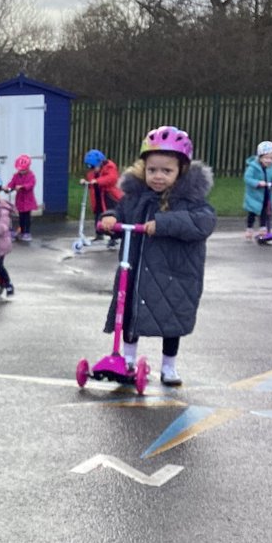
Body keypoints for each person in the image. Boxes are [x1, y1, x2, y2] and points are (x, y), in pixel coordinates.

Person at [98, 126, 216, 387]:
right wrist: (110, 218)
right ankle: (127, 361)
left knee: (171, 319)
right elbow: (123, 213)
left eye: (166, 170)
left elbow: (203, 222)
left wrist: (163, 223)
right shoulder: (136, 196)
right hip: (137, 269)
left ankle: (169, 367)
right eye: (152, 170)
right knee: (128, 312)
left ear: (181, 170)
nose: (158, 176)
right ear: (144, 168)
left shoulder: (191, 199)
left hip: (174, 274)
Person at [243, 140, 272, 240]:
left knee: (265, 211)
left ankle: (263, 228)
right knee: (252, 212)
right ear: (260, 158)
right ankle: (249, 228)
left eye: (271, 158)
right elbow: (247, 178)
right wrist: (257, 183)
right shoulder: (253, 167)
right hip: (254, 194)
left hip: (267, 193)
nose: (268, 160)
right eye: (266, 158)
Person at [82, 149, 122, 244]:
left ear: (100, 163)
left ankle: (113, 237)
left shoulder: (109, 167)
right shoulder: (92, 173)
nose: (92, 169)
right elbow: (92, 183)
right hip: (98, 198)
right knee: (98, 215)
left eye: (93, 167)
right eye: (90, 167)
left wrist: (98, 181)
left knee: (110, 215)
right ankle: (99, 234)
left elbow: (111, 179)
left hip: (109, 197)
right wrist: (86, 183)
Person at [6, 154, 38, 241]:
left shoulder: (31, 175)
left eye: (23, 170)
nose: (21, 171)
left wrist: (22, 186)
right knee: (21, 217)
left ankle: (27, 232)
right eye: (20, 169)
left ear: (27, 168)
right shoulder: (16, 175)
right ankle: (22, 230)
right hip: (20, 199)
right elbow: (12, 183)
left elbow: (31, 184)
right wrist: (8, 188)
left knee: (27, 216)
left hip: (28, 199)